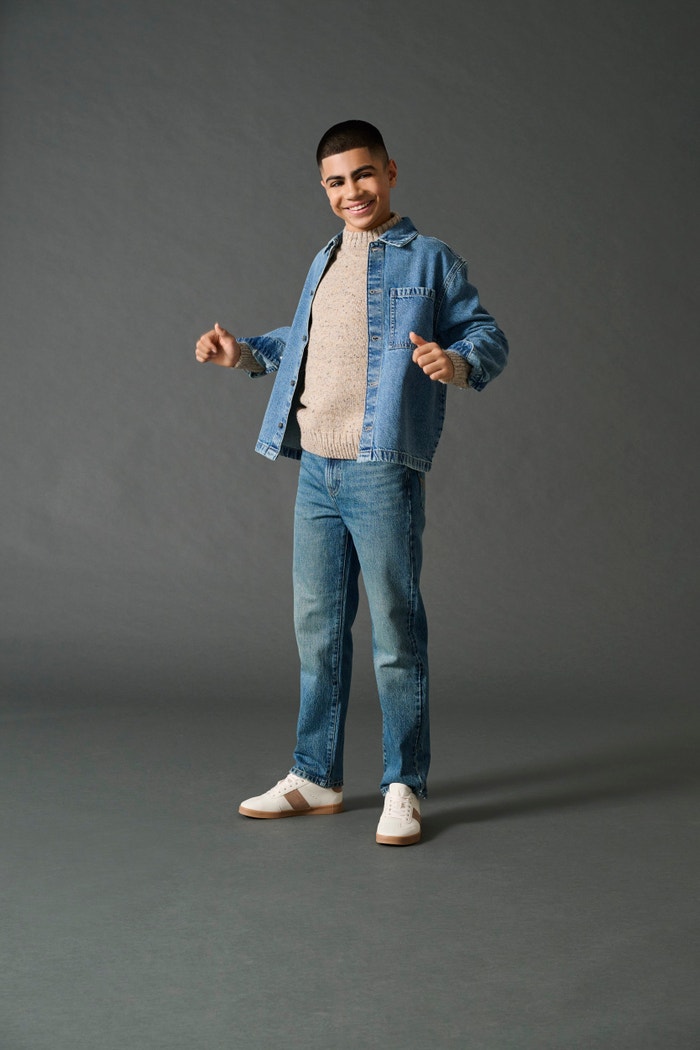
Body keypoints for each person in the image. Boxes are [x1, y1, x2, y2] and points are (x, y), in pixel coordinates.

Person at [195, 120, 508, 845]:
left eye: (363, 174)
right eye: (336, 182)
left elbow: (486, 333)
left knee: (395, 631)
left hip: (380, 469)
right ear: (324, 188)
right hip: (317, 470)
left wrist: (457, 363)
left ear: (390, 172)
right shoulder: (326, 258)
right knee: (318, 631)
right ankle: (316, 777)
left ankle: (404, 785)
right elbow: (307, 341)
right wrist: (244, 353)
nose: (351, 191)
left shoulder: (431, 259)